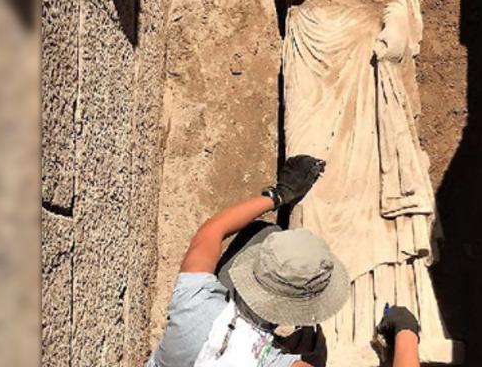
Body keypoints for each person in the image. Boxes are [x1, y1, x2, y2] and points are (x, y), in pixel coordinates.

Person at [148, 154, 424, 367]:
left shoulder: (192, 303)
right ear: (297, 309)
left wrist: (278, 194)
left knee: (263, 233)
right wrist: (406, 329)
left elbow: (211, 231)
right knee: (315, 348)